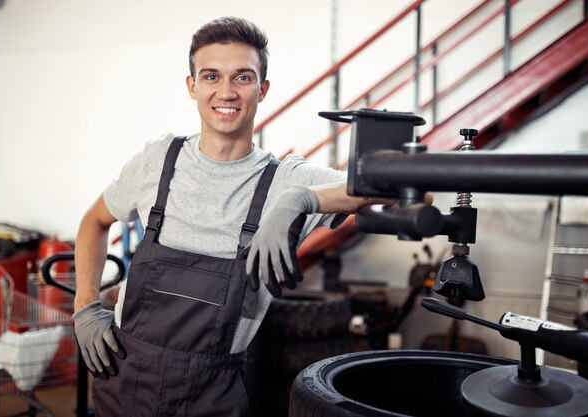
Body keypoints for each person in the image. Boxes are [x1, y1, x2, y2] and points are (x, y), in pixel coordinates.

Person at [72, 16, 386, 417]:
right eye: (211, 76)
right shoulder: (158, 160)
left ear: (262, 89)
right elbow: (94, 222)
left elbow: (400, 188)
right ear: (192, 86)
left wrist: (301, 199)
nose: (226, 92)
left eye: (242, 78)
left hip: (213, 397)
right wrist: (85, 305)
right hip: (125, 381)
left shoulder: (285, 179)